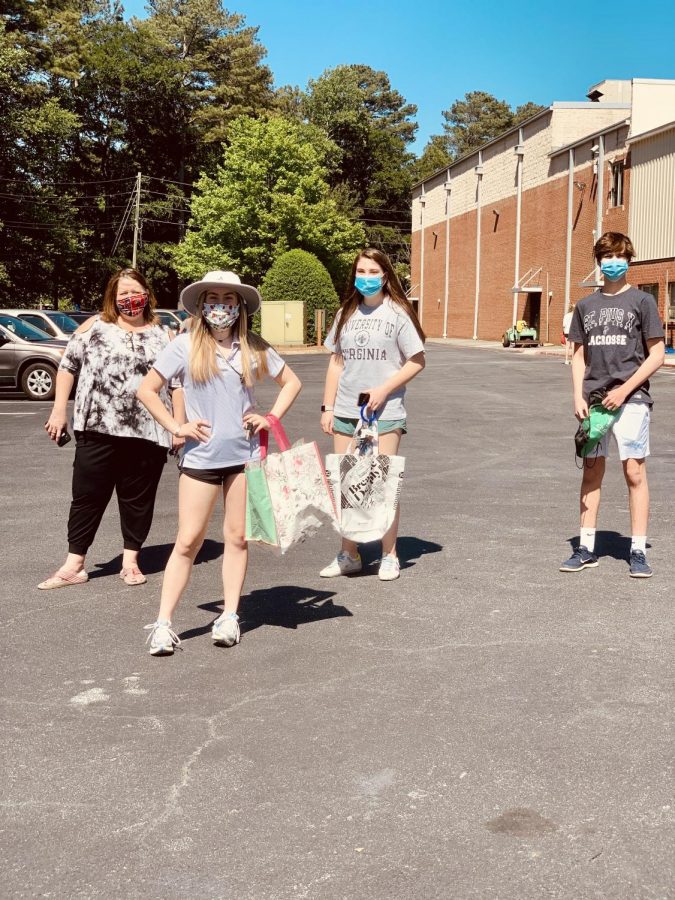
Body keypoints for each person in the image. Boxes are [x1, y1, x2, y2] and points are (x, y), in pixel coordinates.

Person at [137, 271, 301, 656]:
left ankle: (229, 616)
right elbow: (147, 389)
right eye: (213, 298)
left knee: (236, 539)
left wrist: (269, 417)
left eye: (229, 299)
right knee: (189, 540)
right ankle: (163, 624)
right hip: (201, 459)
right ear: (201, 304)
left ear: (239, 306)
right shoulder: (184, 346)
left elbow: (291, 382)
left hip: (244, 458)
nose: (221, 306)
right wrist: (177, 426)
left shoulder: (253, 347)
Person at [41, 268, 177, 589]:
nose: (131, 299)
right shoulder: (94, 326)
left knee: (137, 499)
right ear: (113, 299)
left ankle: (130, 561)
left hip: (148, 431)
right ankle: (75, 563)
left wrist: (177, 427)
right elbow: (67, 366)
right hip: (96, 427)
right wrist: (59, 409)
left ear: (147, 293)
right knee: (87, 495)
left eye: (136, 292)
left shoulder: (165, 334)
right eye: (123, 294)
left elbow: (177, 384)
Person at [560, 232, 665, 578]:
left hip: (632, 400)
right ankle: (586, 547)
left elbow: (657, 354)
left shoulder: (642, 301)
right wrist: (577, 394)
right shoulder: (585, 306)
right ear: (598, 261)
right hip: (594, 402)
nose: (613, 262)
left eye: (620, 256)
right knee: (591, 470)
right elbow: (577, 354)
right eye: (607, 257)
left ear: (629, 259)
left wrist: (625, 389)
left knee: (634, 471)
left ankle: (637, 550)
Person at [319, 248, 425, 582]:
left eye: (372, 271)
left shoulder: (397, 314)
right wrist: (328, 406)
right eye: (360, 271)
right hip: (347, 412)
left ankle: (389, 554)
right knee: (347, 484)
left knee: (382, 482)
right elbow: (336, 361)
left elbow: (417, 360)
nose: (366, 277)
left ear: (385, 276)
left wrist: (383, 390)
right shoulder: (346, 313)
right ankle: (349, 553)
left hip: (385, 412)